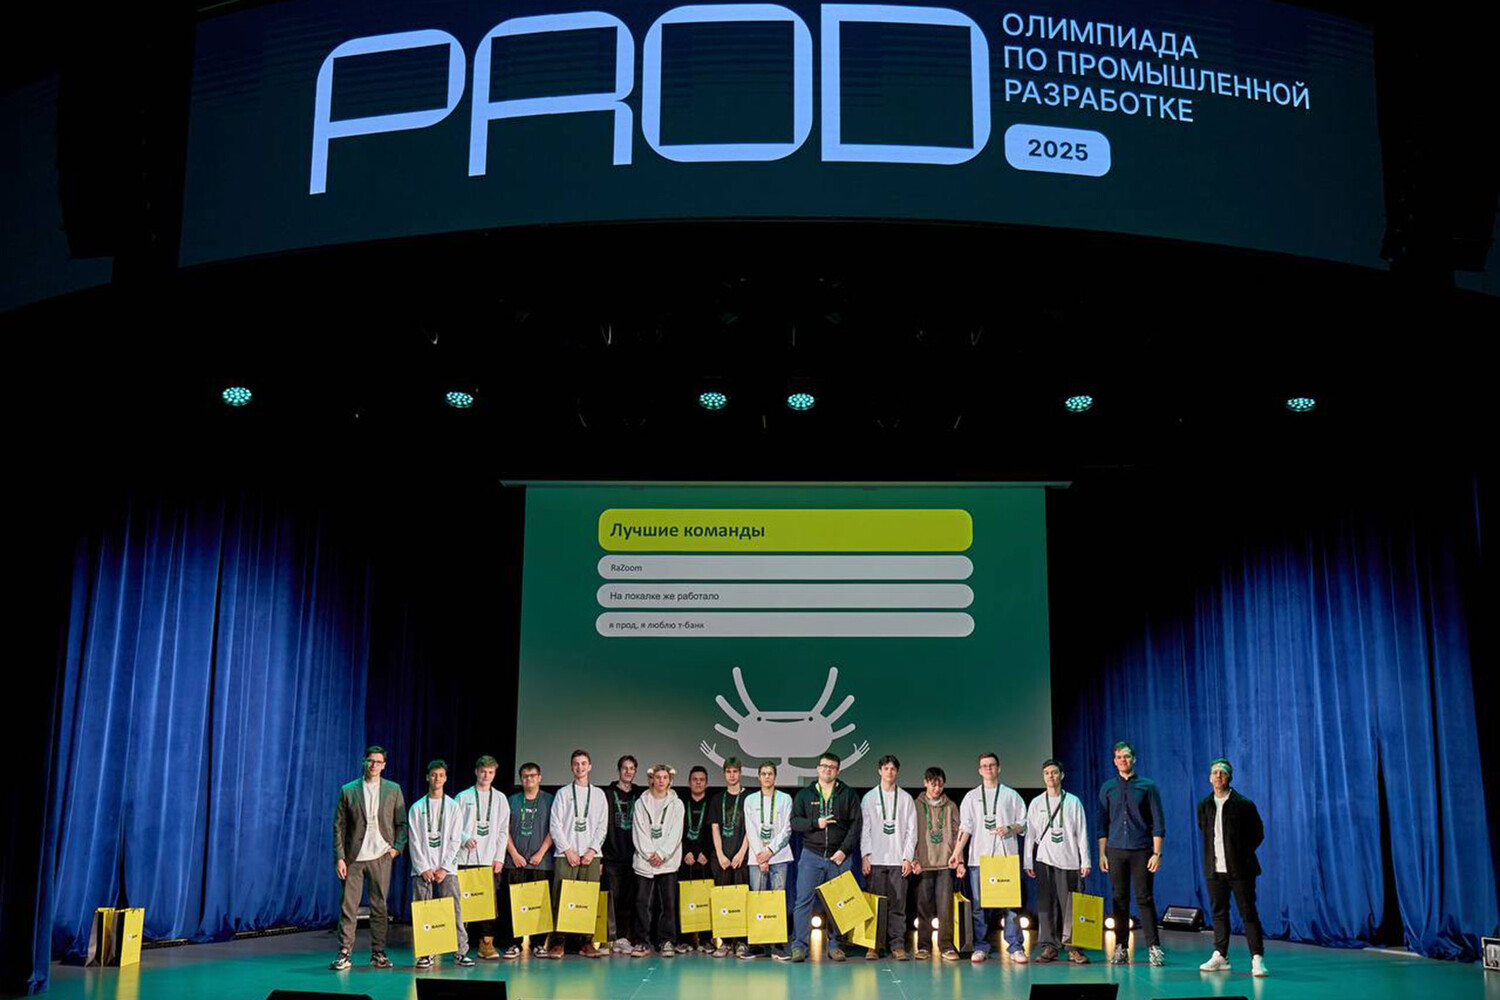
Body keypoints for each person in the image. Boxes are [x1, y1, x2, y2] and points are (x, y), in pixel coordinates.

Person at [781, 751, 862, 963]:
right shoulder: (805, 795)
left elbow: (856, 826)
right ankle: (799, 946)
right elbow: (795, 822)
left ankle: (835, 945)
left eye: (832, 767)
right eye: (824, 766)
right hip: (811, 855)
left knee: (839, 903)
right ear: (818, 769)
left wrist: (844, 850)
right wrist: (815, 823)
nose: (828, 770)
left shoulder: (848, 795)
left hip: (839, 857)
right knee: (803, 901)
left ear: (838, 771)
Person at [332, 745, 406, 971]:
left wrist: (396, 849)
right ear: (364, 761)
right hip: (354, 858)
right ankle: (344, 953)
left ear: (384, 765)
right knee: (348, 907)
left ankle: (378, 953)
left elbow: (401, 824)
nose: (374, 765)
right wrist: (340, 857)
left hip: (381, 856)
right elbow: (339, 826)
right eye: (370, 761)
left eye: (378, 762)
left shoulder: (393, 789)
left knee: (379, 907)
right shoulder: (348, 790)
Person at [1196, 758, 1268, 977]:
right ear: (1210, 778)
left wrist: (1240, 854)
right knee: (1219, 913)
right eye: (1215, 772)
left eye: (1223, 772)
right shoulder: (1204, 805)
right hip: (1214, 869)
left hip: (1241, 870)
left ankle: (1257, 958)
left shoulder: (1244, 804)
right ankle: (1221, 955)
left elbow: (1257, 833)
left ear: (1229, 777)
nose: (1218, 776)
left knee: (1248, 913)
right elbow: (1204, 830)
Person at [953, 752, 1027, 963]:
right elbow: (965, 828)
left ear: (998, 768)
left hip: (1006, 858)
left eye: (992, 765)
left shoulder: (1011, 795)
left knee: (1010, 906)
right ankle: (981, 946)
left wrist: (1010, 828)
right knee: (979, 906)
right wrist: (957, 853)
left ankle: (1015, 947)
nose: (988, 769)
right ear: (979, 770)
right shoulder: (971, 797)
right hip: (979, 859)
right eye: (984, 766)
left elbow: (1024, 823)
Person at [1097, 740, 1166, 966]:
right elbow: (1102, 824)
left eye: (1126, 756)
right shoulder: (1108, 787)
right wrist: (1102, 854)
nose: (1123, 760)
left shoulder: (1148, 786)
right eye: (1119, 757)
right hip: (1115, 850)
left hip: (1141, 850)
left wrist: (1157, 853)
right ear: (1114, 761)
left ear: (1133, 759)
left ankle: (1154, 948)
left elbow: (1158, 822)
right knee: (1119, 899)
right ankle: (1121, 947)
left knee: (1144, 898)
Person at [1024, 758, 1091, 964]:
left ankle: (1073, 948)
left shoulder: (1073, 802)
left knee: (1071, 906)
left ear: (1061, 775)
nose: (1050, 776)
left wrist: (1085, 861)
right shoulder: (1036, 803)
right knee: (1046, 905)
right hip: (1044, 860)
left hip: (1069, 860)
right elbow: (1030, 834)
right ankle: (1049, 947)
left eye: (1054, 772)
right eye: (1046, 773)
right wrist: (1028, 861)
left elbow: (1082, 833)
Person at [409, 759, 472, 968]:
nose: (437, 779)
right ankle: (425, 954)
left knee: (454, 909)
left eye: (441, 775)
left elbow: (456, 840)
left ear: (445, 778)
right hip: (422, 869)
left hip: (448, 869)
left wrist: (445, 867)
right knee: (422, 911)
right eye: (434, 775)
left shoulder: (453, 807)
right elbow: (414, 840)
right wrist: (424, 867)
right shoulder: (417, 807)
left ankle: (461, 951)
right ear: (428, 777)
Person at [548, 748, 609, 958]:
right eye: (576, 764)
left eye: (583, 763)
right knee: (561, 897)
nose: (580, 767)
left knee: (587, 899)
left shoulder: (599, 794)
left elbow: (602, 825)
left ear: (590, 766)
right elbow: (555, 824)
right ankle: (558, 942)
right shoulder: (563, 793)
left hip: (591, 855)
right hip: (566, 855)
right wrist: (568, 850)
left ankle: (586, 942)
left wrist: (592, 850)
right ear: (571, 767)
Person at [860, 754, 916, 961]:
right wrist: (865, 855)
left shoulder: (906, 799)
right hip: (875, 860)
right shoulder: (869, 798)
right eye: (886, 768)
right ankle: (873, 946)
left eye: (893, 769)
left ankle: (897, 945)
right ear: (879, 771)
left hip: (898, 861)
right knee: (874, 906)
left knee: (898, 907)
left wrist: (907, 858)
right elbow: (865, 830)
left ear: (897, 772)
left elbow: (912, 831)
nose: (889, 772)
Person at [456, 755, 511, 960]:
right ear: (476, 772)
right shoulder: (463, 797)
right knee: (463, 901)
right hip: (465, 858)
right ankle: (459, 944)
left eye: (490, 772)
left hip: (489, 858)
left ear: (494, 774)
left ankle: (486, 943)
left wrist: (499, 858)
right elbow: (453, 825)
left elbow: (503, 830)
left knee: (487, 903)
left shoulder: (500, 799)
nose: (486, 776)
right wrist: (464, 839)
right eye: (483, 772)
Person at [631, 764, 685, 956]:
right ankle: (642, 942)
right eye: (657, 777)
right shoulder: (641, 803)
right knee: (642, 903)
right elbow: (639, 831)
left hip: (668, 862)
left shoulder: (677, 804)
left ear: (670, 781)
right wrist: (649, 854)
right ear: (651, 780)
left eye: (665, 777)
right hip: (644, 861)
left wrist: (661, 854)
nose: (661, 781)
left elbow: (676, 833)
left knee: (667, 904)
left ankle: (667, 941)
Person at [502, 761, 553, 960]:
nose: (529, 779)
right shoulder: (512, 800)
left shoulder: (550, 800)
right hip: (514, 861)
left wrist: (541, 853)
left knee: (539, 905)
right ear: (521, 779)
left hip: (541, 861)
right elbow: (503, 829)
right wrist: (514, 853)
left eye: (532, 775)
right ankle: (513, 944)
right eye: (525, 776)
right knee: (513, 904)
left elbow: (554, 829)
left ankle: (538, 943)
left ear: (539, 778)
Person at [742, 760, 794, 960]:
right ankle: (756, 944)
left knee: (777, 900)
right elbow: (751, 830)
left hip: (779, 856)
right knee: (757, 899)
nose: (766, 777)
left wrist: (770, 851)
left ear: (775, 776)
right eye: (763, 774)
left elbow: (787, 829)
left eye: (770, 773)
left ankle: (778, 944)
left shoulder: (785, 799)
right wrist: (761, 856)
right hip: (757, 858)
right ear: (758, 777)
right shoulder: (750, 800)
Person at [910, 766, 961, 961]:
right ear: (925, 783)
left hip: (945, 864)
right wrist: (914, 859)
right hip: (923, 864)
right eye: (933, 784)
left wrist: (959, 860)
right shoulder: (915, 805)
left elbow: (957, 835)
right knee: (924, 907)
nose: (936, 788)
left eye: (940, 784)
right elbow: (910, 834)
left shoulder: (951, 806)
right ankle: (923, 946)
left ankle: (946, 946)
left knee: (945, 908)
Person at [709, 757, 751, 957]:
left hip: (742, 857)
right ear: (724, 773)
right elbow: (715, 828)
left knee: (741, 899)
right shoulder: (717, 799)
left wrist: (741, 852)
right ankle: (724, 942)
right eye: (728, 772)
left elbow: (751, 829)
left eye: (735, 771)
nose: (732, 775)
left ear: (740, 773)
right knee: (724, 900)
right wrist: (720, 855)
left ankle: (742, 941)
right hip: (723, 859)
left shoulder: (749, 798)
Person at [603, 755, 642, 955]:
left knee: (629, 899)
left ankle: (623, 938)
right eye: (624, 768)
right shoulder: (607, 794)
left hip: (634, 856)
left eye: (631, 768)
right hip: (611, 856)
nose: (628, 771)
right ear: (619, 770)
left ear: (635, 771)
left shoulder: (640, 795)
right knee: (612, 898)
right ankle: (608, 939)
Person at [677, 765, 715, 954]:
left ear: (706, 783)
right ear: (689, 782)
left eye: (701, 780)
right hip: (685, 859)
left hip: (705, 859)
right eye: (694, 779)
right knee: (685, 899)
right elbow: (675, 830)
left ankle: (706, 940)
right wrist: (685, 852)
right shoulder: (680, 803)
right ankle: (685, 940)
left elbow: (715, 831)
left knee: (706, 899)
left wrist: (706, 852)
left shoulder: (713, 803)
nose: (698, 783)